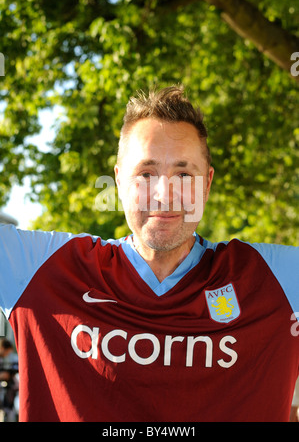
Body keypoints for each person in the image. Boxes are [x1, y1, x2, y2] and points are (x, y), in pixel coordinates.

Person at [0, 85, 298, 422]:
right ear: (119, 181)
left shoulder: (273, 281)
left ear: (208, 184)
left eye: (184, 174)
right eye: (146, 174)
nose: (164, 194)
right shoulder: (46, 268)